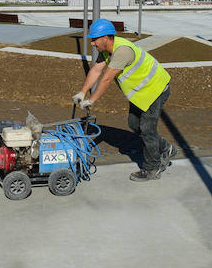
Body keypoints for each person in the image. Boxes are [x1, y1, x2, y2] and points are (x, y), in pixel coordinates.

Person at [72, 19, 176, 181]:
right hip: (141, 94)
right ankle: (165, 148)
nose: (92, 43)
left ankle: (152, 168)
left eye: (94, 39)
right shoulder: (107, 50)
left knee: (147, 129)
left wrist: (91, 100)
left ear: (105, 38)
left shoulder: (122, 51)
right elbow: (96, 70)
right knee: (134, 124)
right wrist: (82, 92)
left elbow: (106, 79)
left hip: (155, 90)